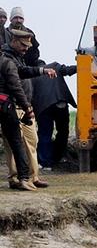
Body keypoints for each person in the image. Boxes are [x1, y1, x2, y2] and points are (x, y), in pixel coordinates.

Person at [1, 29, 56, 189]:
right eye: (23, 45)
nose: (26, 48)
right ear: (14, 41)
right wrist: (26, 107)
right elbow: (17, 83)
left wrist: (42, 70)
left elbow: (24, 70)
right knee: (14, 143)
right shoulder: (8, 59)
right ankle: (16, 178)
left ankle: (33, 176)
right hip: (13, 106)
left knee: (32, 141)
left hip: (24, 105)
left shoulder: (18, 57)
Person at [0, 43, 34, 190]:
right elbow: (16, 87)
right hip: (5, 107)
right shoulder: (6, 63)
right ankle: (24, 179)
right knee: (16, 143)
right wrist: (27, 108)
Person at [32, 60, 77, 169]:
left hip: (43, 108)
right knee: (63, 131)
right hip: (59, 103)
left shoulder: (31, 75)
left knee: (44, 134)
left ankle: (45, 162)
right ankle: (58, 157)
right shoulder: (54, 66)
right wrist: (83, 64)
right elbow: (68, 70)